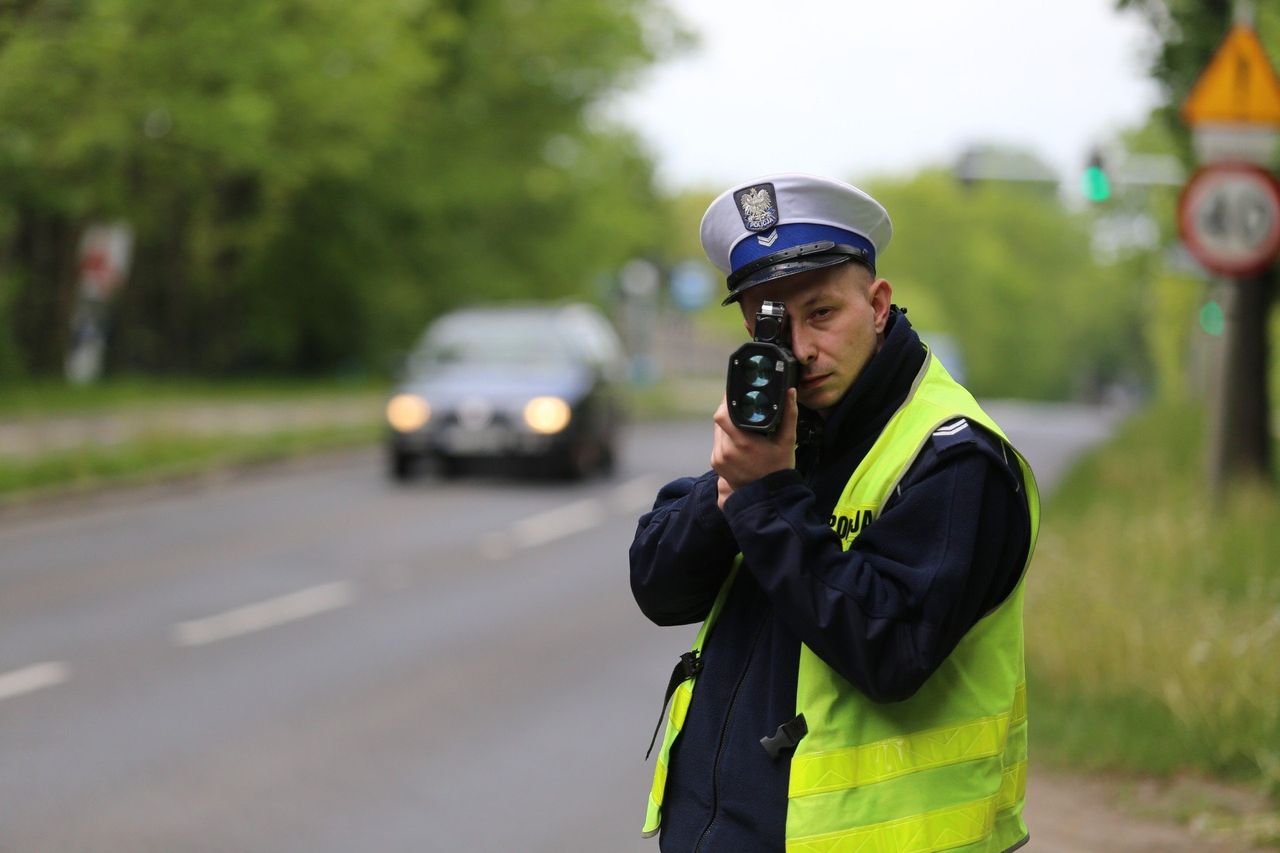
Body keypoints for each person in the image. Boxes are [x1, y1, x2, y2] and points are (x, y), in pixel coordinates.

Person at [630, 173, 1040, 853]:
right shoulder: (791, 432)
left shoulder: (955, 458)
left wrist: (763, 496)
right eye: (771, 321)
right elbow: (658, 584)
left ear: (878, 304)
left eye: (822, 314)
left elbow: (891, 649)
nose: (800, 349)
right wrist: (733, 477)